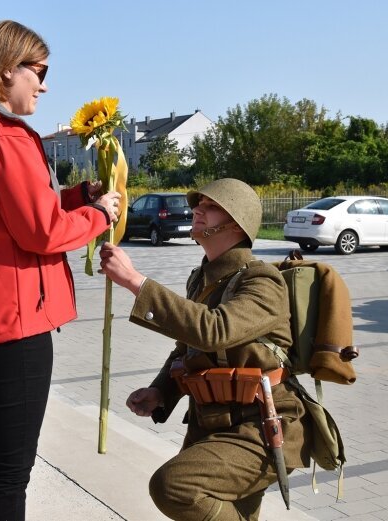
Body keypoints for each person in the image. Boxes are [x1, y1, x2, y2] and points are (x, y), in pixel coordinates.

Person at [0, 20, 120, 521]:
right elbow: (42, 232)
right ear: (5, 69)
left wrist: (78, 198)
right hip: (13, 326)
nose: (45, 84)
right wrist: (100, 216)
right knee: (10, 473)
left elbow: (8, 214)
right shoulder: (5, 139)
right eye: (39, 71)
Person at [99, 178, 310, 521]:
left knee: (174, 486)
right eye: (199, 204)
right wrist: (160, 390)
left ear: (236, 221)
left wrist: (135, 282)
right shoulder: (203, 279)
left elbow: (215, 330)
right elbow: (186, 349)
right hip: (211, 422)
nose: (198, 209)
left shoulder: (262, 281)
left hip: (261, 425)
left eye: (211, 206)